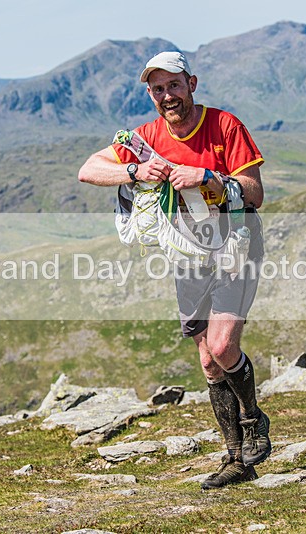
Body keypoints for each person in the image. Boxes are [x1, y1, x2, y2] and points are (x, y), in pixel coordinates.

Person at [78, 51, 271, 488]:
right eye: (158, 89)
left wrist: (208, 178)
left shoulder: (224, 125)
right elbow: (88, 170)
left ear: (192, 84)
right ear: (151, 94)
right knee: (208, 362)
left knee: (222, 346)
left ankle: (253, 418)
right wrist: (135, 169)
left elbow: (255, 192)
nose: (168, 95)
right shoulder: (145, 137)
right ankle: (237, 461)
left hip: (235, 245)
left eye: (174, 85)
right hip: (187, 255)